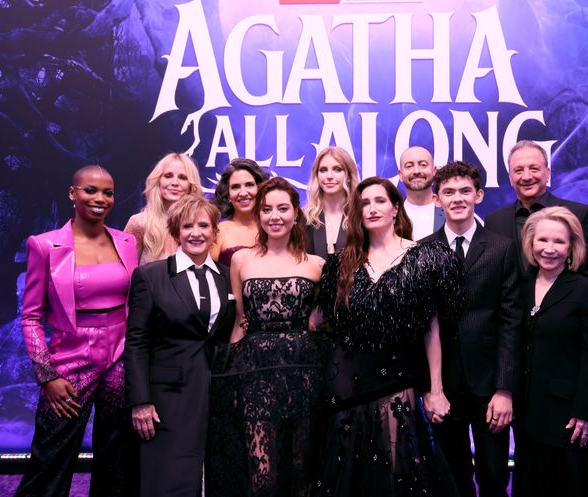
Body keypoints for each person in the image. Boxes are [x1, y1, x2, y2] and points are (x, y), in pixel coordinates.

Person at [312, 176, 465, 496]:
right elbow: (319, 321)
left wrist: (436, 389)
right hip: (346, 384)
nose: (372, 208)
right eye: (364, 203)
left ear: (396, 208)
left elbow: (432, 329)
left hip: (398, 380)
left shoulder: (428, 258)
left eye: (380, 201)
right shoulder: (340, 263)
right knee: (348, 478)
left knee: (400, 474)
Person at [16, 165, 138, 497]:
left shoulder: (127, 242)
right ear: (73, 193)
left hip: (119, 360)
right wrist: (47, 374)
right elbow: (30, 317)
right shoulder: (44, 246)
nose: (100, 199)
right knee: (50, 462)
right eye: (90, 190)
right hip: (70, 363)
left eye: (108, 192)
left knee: (117, 461)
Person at [208, 177, 330, 497]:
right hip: (255, 374)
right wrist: (232, 377)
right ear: (259, 215)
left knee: (301, 468)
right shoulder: (240, 260)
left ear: (295, 213)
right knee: (262, 475)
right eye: (267, 209)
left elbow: (319, 323)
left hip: (304, 372)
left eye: (282, 208)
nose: (274, 216)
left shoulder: (317, 265)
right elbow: (239, 322)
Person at [125, 195, 236, 497]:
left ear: (215, 231)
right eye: (187, 226)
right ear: (175, 232)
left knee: (217, 474)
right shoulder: (151, 276)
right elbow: (136, 341)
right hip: (167, 397)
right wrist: (140, 401)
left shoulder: (229, 278)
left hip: (218, 392)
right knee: (168, 479)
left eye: (203, 225)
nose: (196, 233)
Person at [423, 162, 522, 497]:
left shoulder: (502, 248)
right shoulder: (423, 251)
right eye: (448, 192)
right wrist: (429, 388)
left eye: (465, 191)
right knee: (452, 478)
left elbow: (511, 321)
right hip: (444, 385)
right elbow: (421, 326)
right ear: (437, 200)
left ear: (479, 195)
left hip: (489, 384)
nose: (457, 198)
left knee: (494, 477)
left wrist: (505, 389)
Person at [513, 207, 588, 497]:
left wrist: (586, 412)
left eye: (559, 242)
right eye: (542, 240)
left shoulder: (584, 290)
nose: (549, 249)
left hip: (568, 414)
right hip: (527, 411)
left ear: (572, 247)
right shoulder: (520, 286)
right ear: (531, 243)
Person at [484, 140, 588, 279]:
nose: (526, 177)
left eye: (534, 169)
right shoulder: (495, 221)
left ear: (548, 173)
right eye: (519, 170)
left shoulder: (578, 213)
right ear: (510, 177)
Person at [124, 152, 203, 265]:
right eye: (168, 176)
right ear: (158, 181)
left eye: (182, 177)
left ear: (191, 185)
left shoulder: (202, 226)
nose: (175, 183)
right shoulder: (139, 223)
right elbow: (127, 273)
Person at [210, 158, 268, 266]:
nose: (243, 193)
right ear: (227, 194)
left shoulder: (273, 228)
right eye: (235, 187)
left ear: (260, 188)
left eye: (249, 185)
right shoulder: (218, 232)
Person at [304, 146, 360, 257]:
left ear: (349, 175)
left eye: (337, 169)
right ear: (317, 175)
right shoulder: (304, 218)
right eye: (323, 170)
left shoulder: (360, 216)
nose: (329, 176)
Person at [398, 146, 445, 240]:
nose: (416, 171)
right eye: (409, 166)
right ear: (400, 174)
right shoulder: (392, 215)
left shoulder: (449, 211)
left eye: (423, 165)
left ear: (434, 171)